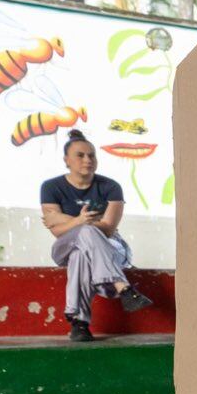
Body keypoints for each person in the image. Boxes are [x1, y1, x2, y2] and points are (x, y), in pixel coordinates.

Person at [40, 130, 152, 341]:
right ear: (67, 160)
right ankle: (122, 287)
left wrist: (66, 219)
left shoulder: (110, 187)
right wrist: (80, 221)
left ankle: (78, 323)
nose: (87, 160)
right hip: (64, 245)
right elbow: (56, 231)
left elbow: (109, 229)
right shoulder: (51, 187)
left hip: (109, 245)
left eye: (91, 155)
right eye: (80, 155)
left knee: (80, 255)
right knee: (85, 232)